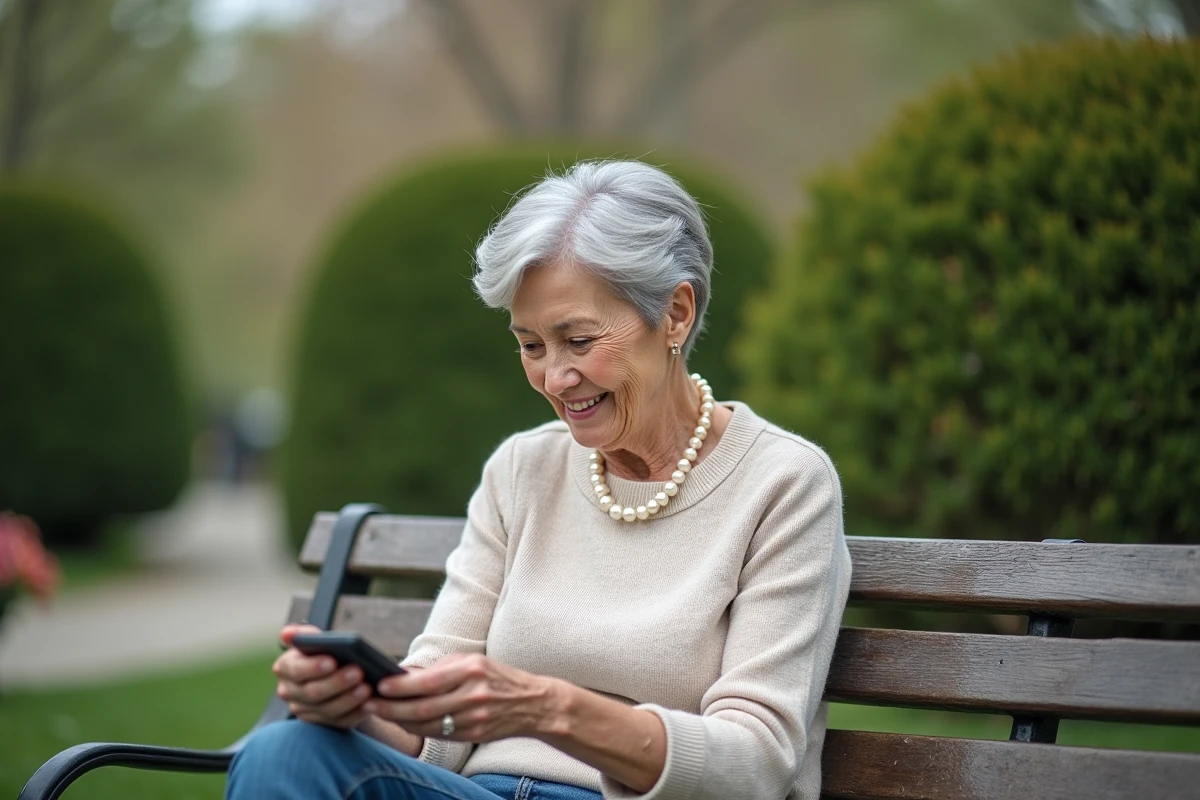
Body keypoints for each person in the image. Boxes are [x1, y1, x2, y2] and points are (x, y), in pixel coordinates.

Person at [226, 160, 852, 800]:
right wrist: (360, 704)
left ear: (676, 313)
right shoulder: (523, 469)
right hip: (479, 790)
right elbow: (438, 718)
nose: (555, 379)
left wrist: (551, 710)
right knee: (287, 753)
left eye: (578, 340)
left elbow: (756, 761)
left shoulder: (783, 483)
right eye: (531, 346)